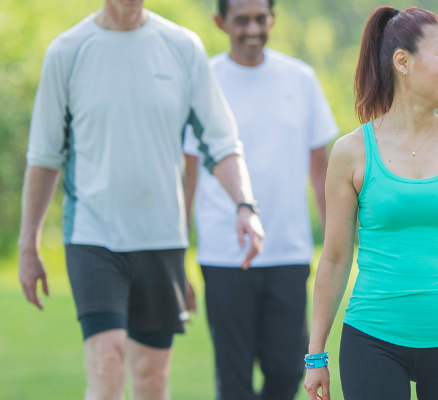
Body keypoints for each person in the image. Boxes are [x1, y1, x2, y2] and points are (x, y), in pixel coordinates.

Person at [17, 0, 264, 399]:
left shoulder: (182, 47)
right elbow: (44, 157)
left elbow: (220, 141)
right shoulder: (68, 50)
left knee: (152, 379)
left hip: (161, 238)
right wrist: (28, 244)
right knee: (106, 363)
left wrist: (245, 205)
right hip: (92, 237)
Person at [302, 6, 438, 400]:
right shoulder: (351, 152)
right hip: (372, 340)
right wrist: (316, 354)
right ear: (402, 61)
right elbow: (334, 258)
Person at [181, 0, 337, 399]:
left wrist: (336, 243)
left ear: (273, 19)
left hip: (288, 250)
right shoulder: (203, 81)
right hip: (223, 253)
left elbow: (321, 169)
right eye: (241, 20)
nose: (252, 29)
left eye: (260, 19)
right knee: (233, 379)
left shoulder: (300, 79)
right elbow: (188, 173)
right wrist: (176, 254)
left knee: (288, 371)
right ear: (220, 22)